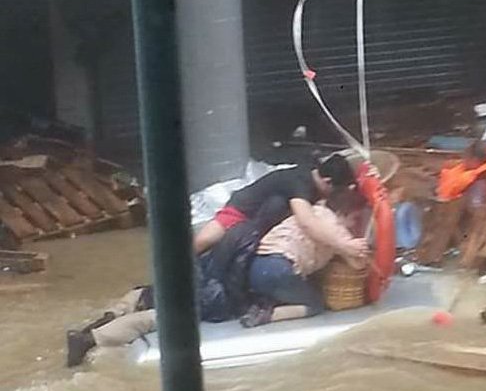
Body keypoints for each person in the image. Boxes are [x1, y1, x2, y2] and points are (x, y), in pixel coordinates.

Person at [65, 189, 369, 367]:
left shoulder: (236, 229)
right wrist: (236, 306)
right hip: (210, 288)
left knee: (146, 293)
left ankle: (102, 320)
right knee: (161, 318)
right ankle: (90, 339)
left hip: (191, 271)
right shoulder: (250, 237)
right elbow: (233, 278)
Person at [193, 154, 366, 264]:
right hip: (242, 210)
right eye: (335, 190)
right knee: (204, 241)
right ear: (327, 181)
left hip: (262, 223)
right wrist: (343, 245)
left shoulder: (315, 176)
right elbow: (307, 223)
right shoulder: (300, 183)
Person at [240, 188, 368, 327]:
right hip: (281, 269)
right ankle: (269, 315)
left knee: (286, 293)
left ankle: (260, 306)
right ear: (341, 213)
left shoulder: (312, 212)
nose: (355, 224)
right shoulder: (336, 229)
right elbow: (357, 264)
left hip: (257, 266)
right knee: (315, 304)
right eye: (355, 218)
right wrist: (360, 248)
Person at [436, 140, 486, 204]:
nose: (463, 161)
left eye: (465, 158)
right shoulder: (469, 171)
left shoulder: (480, 182)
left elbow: (474, 207)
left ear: (475, 160)